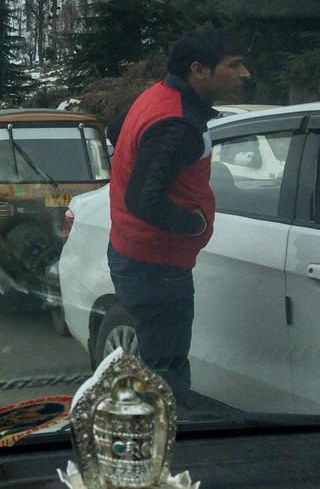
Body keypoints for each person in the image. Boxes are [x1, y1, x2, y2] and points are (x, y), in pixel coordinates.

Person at [107, 27, 250, 407]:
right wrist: (196, 224)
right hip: (156, 266)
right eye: (235, 65)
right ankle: (158, 438)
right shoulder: (178, 123)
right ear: (199, 70)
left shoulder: (159, 96)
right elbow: (143, 200)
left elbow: (115, 130)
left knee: (155, 362)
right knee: (165, 376)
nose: (245, 73)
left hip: (135, 254)